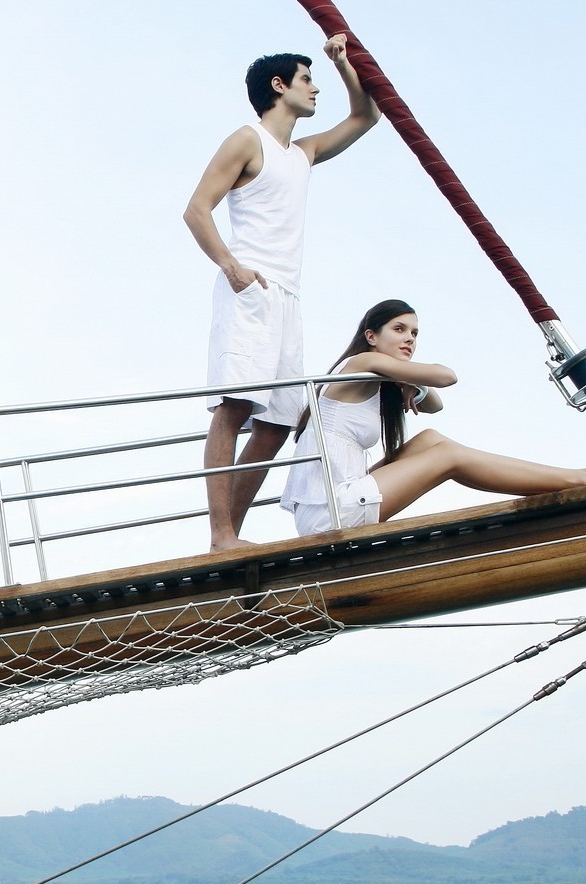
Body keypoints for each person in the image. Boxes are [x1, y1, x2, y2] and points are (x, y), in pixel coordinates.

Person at [186, 36, 380, 551]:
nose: (316, 89)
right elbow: (196, 209)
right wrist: (231, 267)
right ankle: (220, 534)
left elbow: (366, 117)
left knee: (276, 425)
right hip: (250, 290)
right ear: (280, 86)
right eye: (308, 78)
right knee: (234, 407)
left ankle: (232, 534)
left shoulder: (304, 152)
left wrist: (343, 64)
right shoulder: (247, 140)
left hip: (289, 298)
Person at [279, 299, 586, 536]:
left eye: (415, 333)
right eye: (399, 330)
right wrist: (408, 376)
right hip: (331, 512)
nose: (410, 339)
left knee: (432, 439)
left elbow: (435, 404)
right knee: (447, 457)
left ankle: (553, 482)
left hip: (335, 501)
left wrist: (407, 383)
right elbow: (447, 377)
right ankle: (580, 478)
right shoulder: (361, 364)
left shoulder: (377, 377)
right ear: (371, 337)